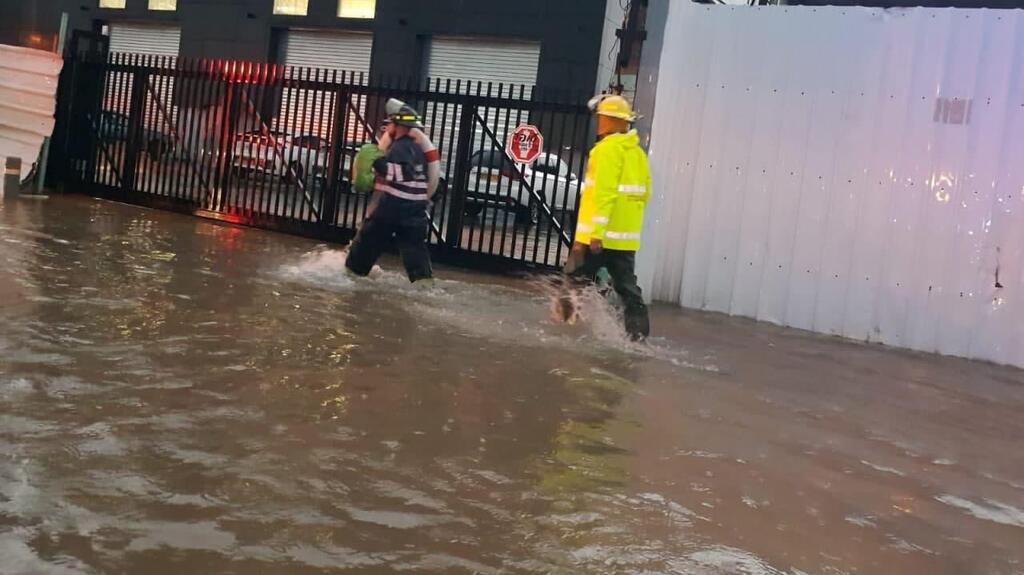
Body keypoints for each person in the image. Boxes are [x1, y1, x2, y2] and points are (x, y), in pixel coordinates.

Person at [558, 94, 652, 341]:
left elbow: (604, 194)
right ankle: (638, 337)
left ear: (612, 121)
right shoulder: (638, 154)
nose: (599, 123)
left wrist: (596, 233)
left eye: (602, 118)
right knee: (628, 290)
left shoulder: (607, 150)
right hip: (624, 240)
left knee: (574, 280)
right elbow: (644, 194)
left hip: (597, 238)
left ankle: (565, 326)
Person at [345, 99, 434, 283]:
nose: (387, 129)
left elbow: (402, 172)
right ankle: (424, 285)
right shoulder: (417, 149)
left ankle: (350, 278)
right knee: (416, 256)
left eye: (390, 124)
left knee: (365, 245)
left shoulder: (400, 147)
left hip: (393, 209)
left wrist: (376, 162)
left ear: (397, 125)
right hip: (416, 212)